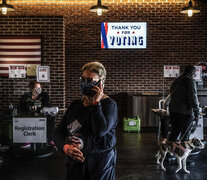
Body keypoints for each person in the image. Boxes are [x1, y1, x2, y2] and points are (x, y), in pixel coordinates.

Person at [54, 62, 118, 180]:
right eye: (82, 79)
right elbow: (58, 132)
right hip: (76, 165)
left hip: (99, 165)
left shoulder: (109, 105)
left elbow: (100, 131)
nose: (85, 83)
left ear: (100, 83)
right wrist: (66, 147)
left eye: (90, 80)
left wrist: (96, 104)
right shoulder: (75, 105)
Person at [18, 80, 56, 148]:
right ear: (32, 88)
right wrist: (29, 108)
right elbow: (21, 107)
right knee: (25, 121)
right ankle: (27, 141)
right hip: (29, 116)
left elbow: (47, 106)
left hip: (42, 115)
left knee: (51, 120)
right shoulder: (26, 97)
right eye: (37, 87)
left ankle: (50, 139)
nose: (39, 89)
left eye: (40, 87)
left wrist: (38, 108)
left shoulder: (44, 96)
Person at [168, 65, 199, 143]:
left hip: (173, 110)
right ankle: (182, 154)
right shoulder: (190, 81)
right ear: (193, 73)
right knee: (185, 135)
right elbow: (193, 97)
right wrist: (197, 111)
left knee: (174, 132)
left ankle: (169, 153)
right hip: (185, 112)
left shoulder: (176, 80)